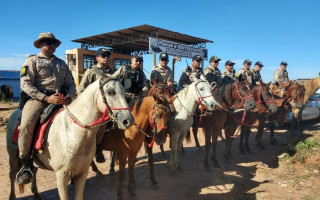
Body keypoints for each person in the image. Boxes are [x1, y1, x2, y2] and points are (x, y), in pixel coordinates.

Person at [17, 32, 76, 184]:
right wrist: (46, 98)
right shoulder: (32, 61)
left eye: (53, 43)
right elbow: (25, 84)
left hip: (61, 100)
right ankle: (26, 163)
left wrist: (68, 97)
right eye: (47, 42)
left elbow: (71, 84)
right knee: (26, 125)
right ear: (41, 44)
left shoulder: (62, 64)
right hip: (38, 99)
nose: (51, 45)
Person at [78, 48, 113, 163]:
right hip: (93, 107)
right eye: (103, 55)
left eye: (107, 55)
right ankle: (95, 151)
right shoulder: (91, 71)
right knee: (99, 126)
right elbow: (81, 89)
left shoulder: (111, 72)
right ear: (97, 58)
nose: (106, 57)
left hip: (108, 106)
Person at [178, 55, 204, 148]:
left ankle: (197, 133)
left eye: (199, 61)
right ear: (193, 61)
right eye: (197, 61)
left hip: (197, 97)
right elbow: (181, 82)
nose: (198, 62)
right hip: (187, 95)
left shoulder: (201, 71)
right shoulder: (187, 70)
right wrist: (189, 88)